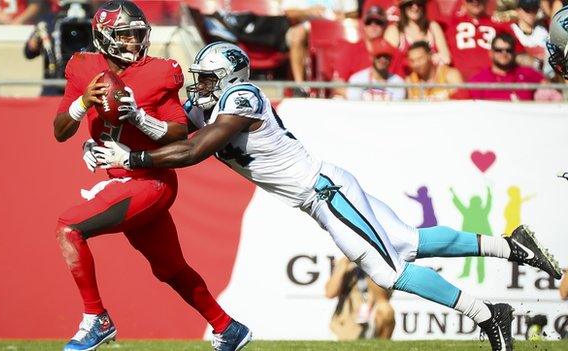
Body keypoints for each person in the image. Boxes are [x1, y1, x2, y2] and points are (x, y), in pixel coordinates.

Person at [92, 41, 563, 351]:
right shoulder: (212, 105)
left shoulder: (244, 99)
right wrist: (135, 118)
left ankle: (487, 315)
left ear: (230, 77)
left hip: (325, 190)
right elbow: (174, 132)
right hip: (323, 192)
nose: (201, 86)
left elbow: (193, 149)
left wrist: (132, 160)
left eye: (209, 78)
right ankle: (512, 245)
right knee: (410, 241)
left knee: (387, 268)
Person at [52, 3, 250, 351]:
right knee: (170, 268)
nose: (132, 42)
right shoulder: (82, 67)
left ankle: (95, 318)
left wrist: (140, 118)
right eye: (124, 34)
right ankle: (228, 328)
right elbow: (59, 130)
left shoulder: (161, 72)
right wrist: (84, 106)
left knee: (69, 228)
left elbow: (178, 134)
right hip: (120, 180)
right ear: (103, 36)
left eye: (137, 34)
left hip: (150, 181)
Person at [282, 0, 359, 93]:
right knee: (297, 35)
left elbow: (354, 12)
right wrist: (308, 11)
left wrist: (344, 16)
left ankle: (351, 84)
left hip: (337, 27)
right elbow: (288, 12)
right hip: (308, 27)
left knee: (354, 32)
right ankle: (300, 87)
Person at [332, 6, 405, 97]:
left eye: (378, 22)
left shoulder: (394, 53)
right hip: (356, 104)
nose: (373, 25)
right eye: (369, 22)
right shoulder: (350, 49)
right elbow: (338, 84)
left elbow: (401, 85)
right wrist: (362, 98)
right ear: (364, 26)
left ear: (385, 26)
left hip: (387, 104)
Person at [468, 32, 555, 100]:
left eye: (508, 50)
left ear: (514, 53)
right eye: (499, 50)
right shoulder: (479, 80)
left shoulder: (528, 73)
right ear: (491, 53)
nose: (504, 54)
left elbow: (548, 89)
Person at [325, 257, 394, 340]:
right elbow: (330, 293)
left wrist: (371, 265)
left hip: (373, 317)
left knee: (385, 309)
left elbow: (383, 297)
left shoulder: (381, 265)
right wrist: (343, 265)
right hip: (348, 321)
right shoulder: (347, 266)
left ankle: (382, 345)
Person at [446, 0, 518, 80]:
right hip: (460, 82)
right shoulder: (450, 23)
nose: (475, 2)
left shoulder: (500, 25)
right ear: (464, 2)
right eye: (470, 0)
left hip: (492, 81)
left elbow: (517, 53)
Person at [383, 0, 451, 66]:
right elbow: (387, 63)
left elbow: (447, 58)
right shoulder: (394, 31)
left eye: (419, 3)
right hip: (406, 77)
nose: (415, 7)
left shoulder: (433, 27)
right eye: (410, 3)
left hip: (435, 76)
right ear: (403, 7)